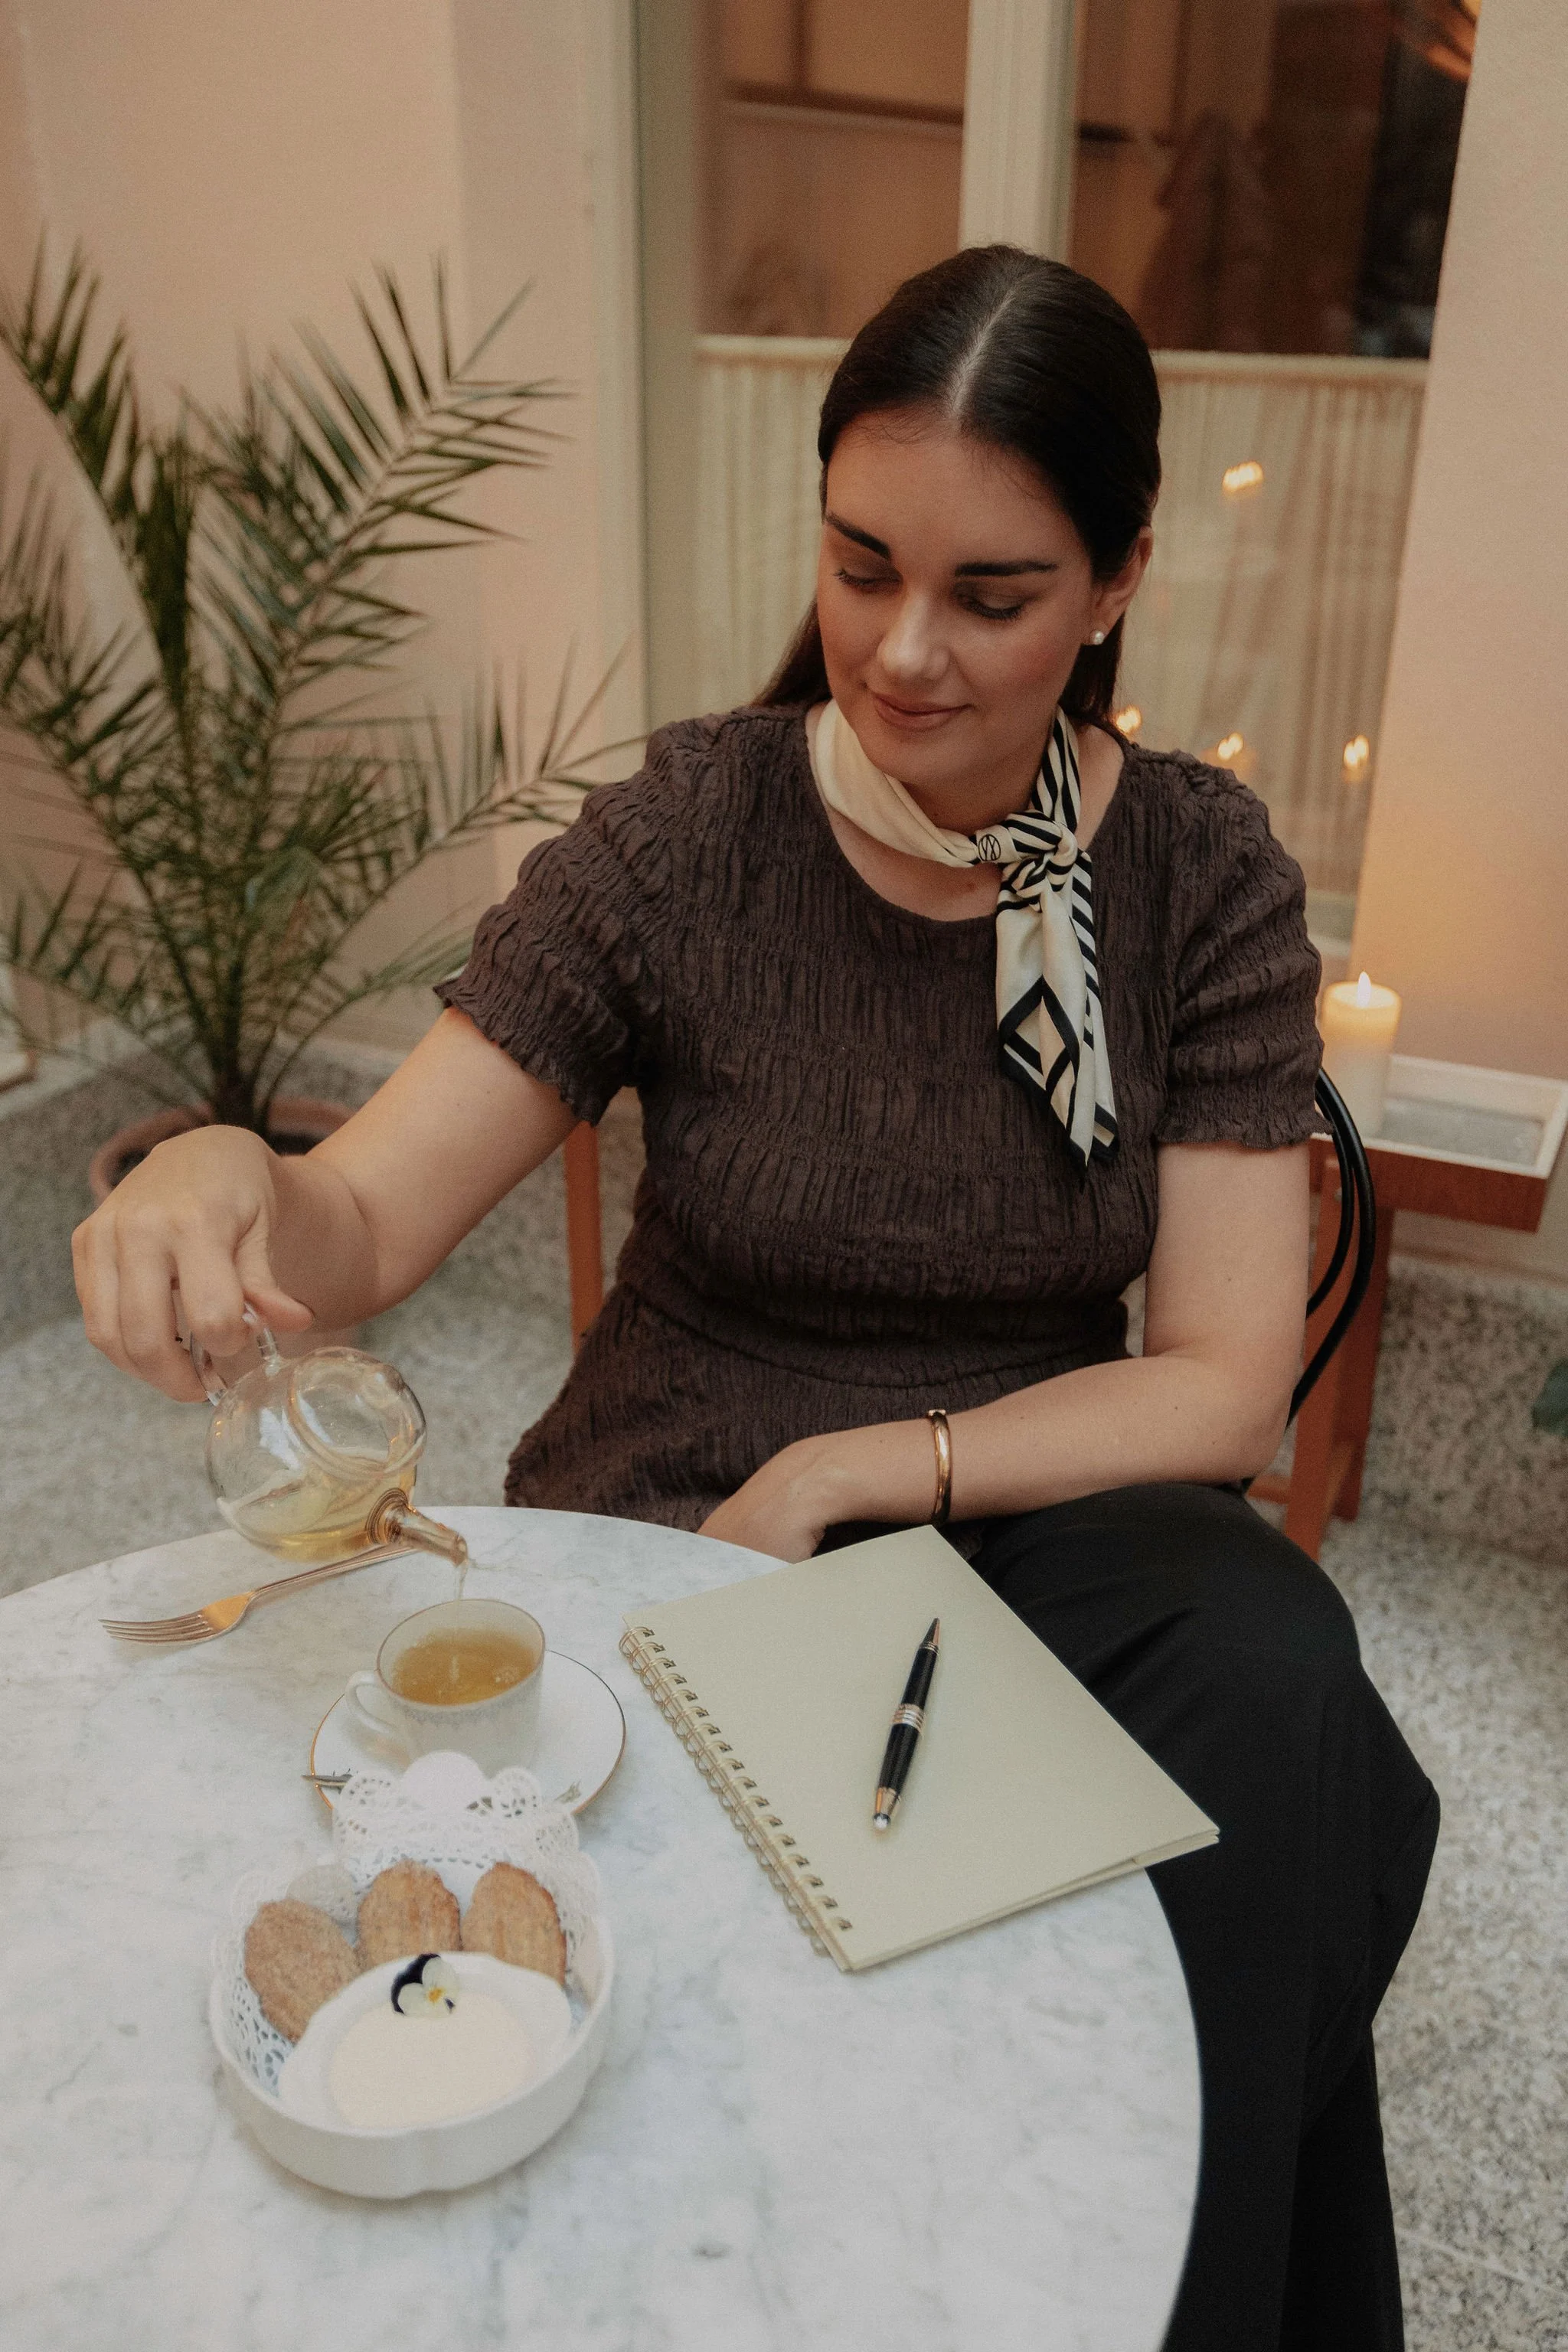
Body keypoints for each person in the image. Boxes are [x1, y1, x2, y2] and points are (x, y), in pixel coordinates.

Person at [74, 246, 1436, 2348]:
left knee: (1277, 1678)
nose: (900, 651)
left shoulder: (1196, 873)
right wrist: (221, 1165)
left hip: (1016, 1511)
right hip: (681, 1511)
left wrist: (861, 1467)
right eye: (860, 561)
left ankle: (1175, 2295)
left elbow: (1229, 1387)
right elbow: (359, 1223)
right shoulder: (694, 833)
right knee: (1240, 1831)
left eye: (992, 594)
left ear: (1120, 575)